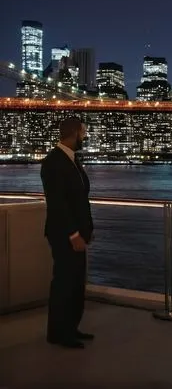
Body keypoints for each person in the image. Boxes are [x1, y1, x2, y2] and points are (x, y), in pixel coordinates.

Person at [41, 117, 94, 349]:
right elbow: (58, 204)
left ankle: (71, 328)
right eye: (83, 133)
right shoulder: (54, 162)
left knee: (75, 283)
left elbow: (79, 199)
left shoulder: (72, 160)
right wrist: (74, 234)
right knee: (64, 283)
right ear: (73, 133)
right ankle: (58, 333)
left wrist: (86, 229)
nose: (85, 137)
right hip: (65, 235)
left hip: (76, 234)